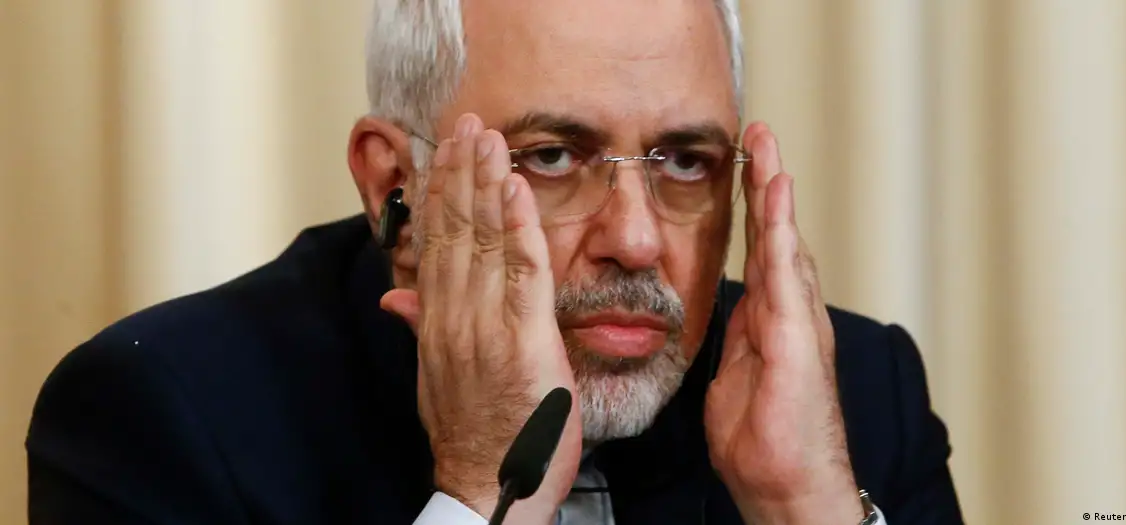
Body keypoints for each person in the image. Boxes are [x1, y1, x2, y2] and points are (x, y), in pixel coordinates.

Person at [26, 0, 964, 523]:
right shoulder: (165, 415)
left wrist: (805, 508)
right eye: (551, 157)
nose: (637, 239)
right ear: (394, 187)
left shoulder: (850, 404)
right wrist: (483, 494)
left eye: (685, 162)